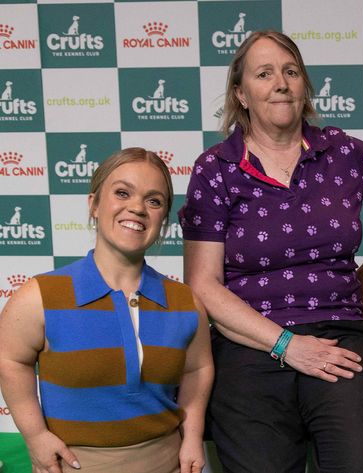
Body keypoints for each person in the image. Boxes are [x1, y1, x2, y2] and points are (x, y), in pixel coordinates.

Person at [178, 31, 363, 473]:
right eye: (264, 74)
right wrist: (287, 345)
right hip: (250, 342)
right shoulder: (216, 168)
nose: (281, 83)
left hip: (339, 336)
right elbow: (203, 285)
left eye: (291, 71)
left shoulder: (340, 151)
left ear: (304, 85)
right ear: (241, 94)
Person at [0, 148, 214, 473]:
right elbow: (10, 360)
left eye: (154, 201)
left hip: (168, 463)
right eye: (122, 193)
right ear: (94, 204)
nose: (138, 208)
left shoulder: (186, 302)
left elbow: (197, 370)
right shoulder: (40, 296)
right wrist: (35, 435)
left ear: (163, 220)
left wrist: (192, 436)